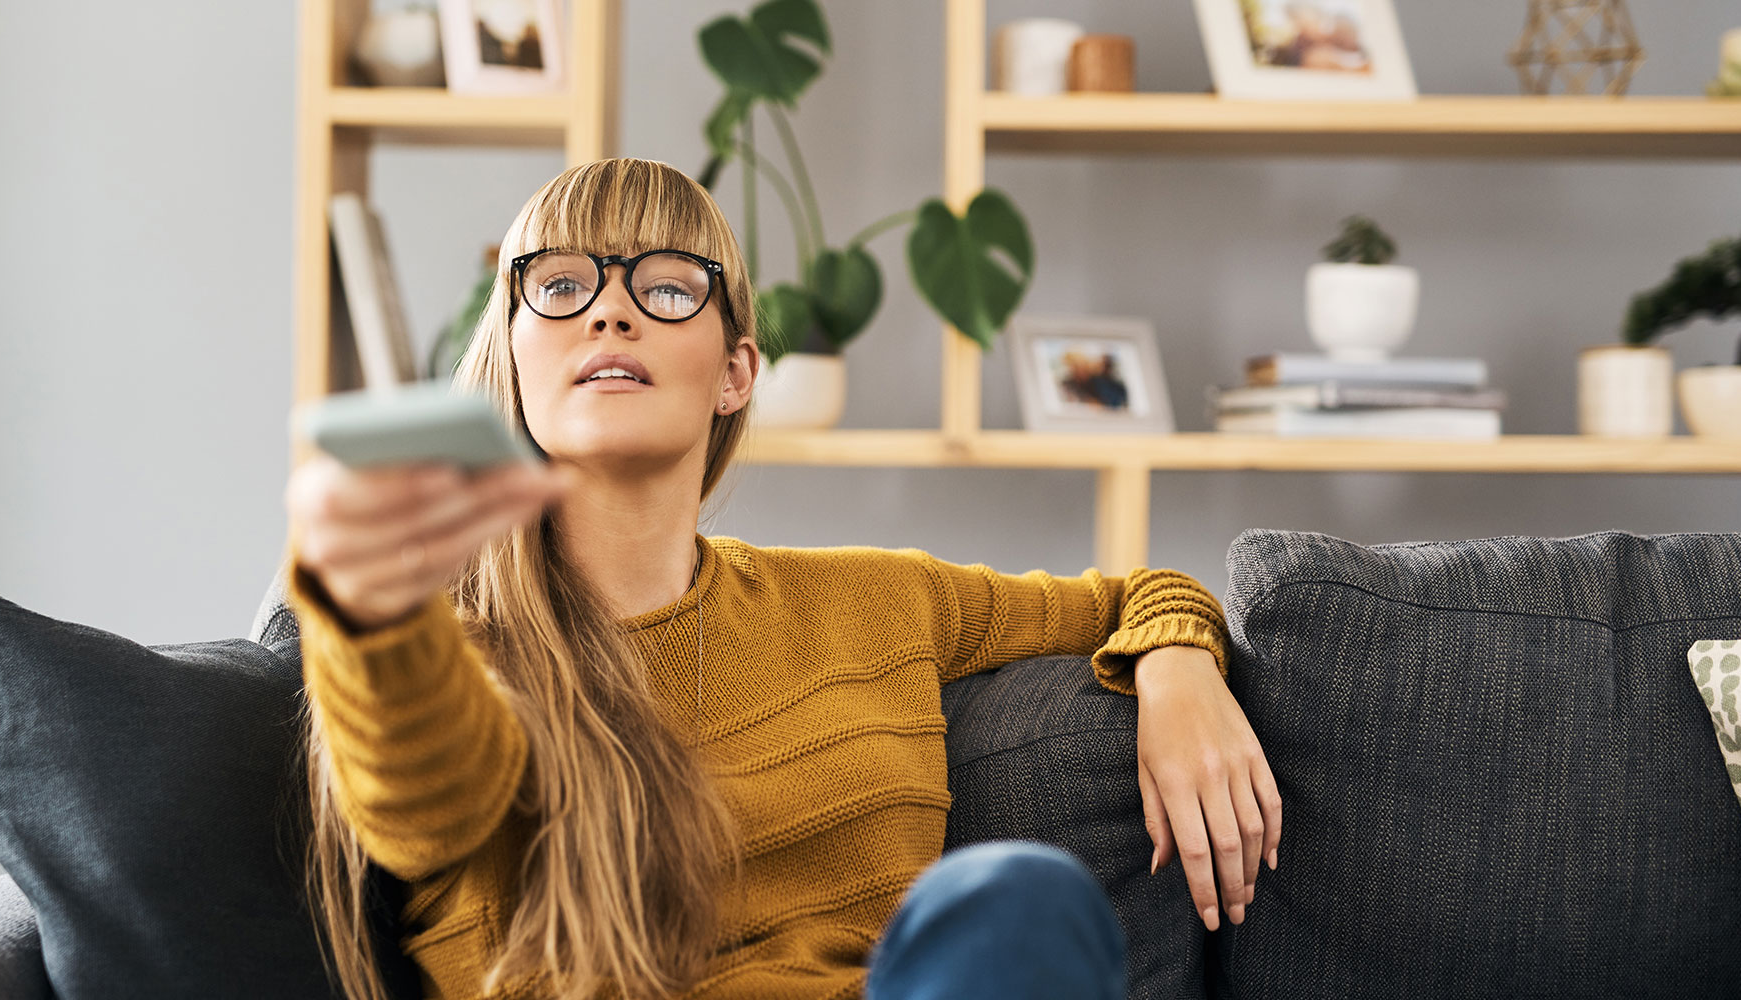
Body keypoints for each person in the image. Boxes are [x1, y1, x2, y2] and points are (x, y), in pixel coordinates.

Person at [280, 157, 1281, 1000]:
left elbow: (1136, 592)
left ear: (736, 372)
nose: (611, 312)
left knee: (1016, 899)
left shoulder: (878, 600)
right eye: (560, 284)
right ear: (511, 348)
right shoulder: (446, 647)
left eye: (666, 287)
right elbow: (427, 799)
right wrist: (373, 618)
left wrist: (1179, 668)